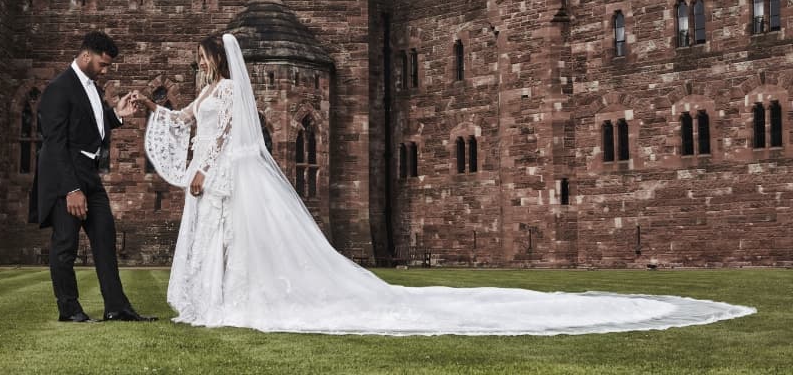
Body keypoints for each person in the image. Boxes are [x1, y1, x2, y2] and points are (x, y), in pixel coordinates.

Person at [140, 33, 754, 335]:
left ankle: (233, 303)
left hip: (224, 176)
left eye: (200, 56)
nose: (197, 63)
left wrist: (200, 170)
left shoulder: (227, 90)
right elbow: (188, 121)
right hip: (219, 177)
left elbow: (224, 136)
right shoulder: (206, 92)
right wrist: (149, 108)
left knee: (246, 244)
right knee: (231, 245)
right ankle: (216, 303)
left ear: (217, 61)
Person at [29, 31, 157, 323]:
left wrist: (117, 114)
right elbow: (55, 142)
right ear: (86, 56)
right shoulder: (58, 89)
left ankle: (117, 308)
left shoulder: (93, 89)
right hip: (66, 176)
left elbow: (90, 129)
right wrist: (71, 188)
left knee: (104, 237)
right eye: (103, 64)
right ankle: (70, 310)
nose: (105, 70)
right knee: (65, 245)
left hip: (89, 173)